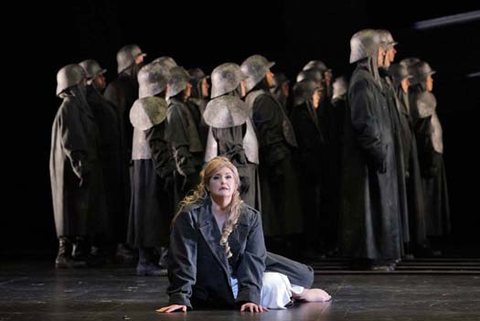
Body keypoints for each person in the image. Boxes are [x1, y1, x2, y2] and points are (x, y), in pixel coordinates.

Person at [157, 157, 331, 313]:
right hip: (210, 279)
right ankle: (298, 292)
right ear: (207, 185)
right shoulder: (190, 215)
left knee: (304, 275)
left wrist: (249, 297)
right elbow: (183, 260)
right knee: (274, 283)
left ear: (236, 184)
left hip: (239, 266)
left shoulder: (249, 216)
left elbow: (253, 258)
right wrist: (181, 297)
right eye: (216, 178)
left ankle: (298, 289)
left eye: (228, 177)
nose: (223, 182)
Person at [339, 29, 402, 271]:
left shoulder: (371, 80)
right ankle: (372, 256)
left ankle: (381, 254)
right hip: (368, 160)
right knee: (370, 209)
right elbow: (364, 122)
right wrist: (377, 150)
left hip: (376, 156)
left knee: (378, 207)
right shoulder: (362, 81)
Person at [50, 64, 105, 268]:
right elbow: (71, 139)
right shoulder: (69, 107)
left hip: (75, 169)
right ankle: (64, 254)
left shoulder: (75, 107)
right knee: (69, 209)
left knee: (78, 210)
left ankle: (76, 251)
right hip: (71, 170)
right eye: (82, 82)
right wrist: (81, 165)